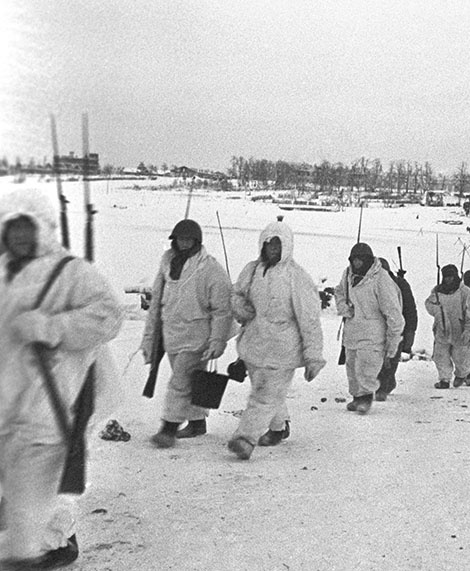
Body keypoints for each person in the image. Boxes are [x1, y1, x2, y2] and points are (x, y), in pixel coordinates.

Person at [0, 188, 123, 569]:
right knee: (23, 493)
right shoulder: (4, 271)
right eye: (11, 227)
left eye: (26, 226)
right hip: (7, 405)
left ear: (42, 227)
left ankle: (34, 553)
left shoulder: (71, 272)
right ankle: (54, 537)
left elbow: (109, 315)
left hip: (49, 409)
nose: (19, 236)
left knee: (29, 502)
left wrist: (51, 327)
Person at [227, 221, 325, 460]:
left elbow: (309, 319)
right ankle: (278, 428)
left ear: (287, 246)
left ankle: (245, 438)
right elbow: (237, 295)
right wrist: (242, 308)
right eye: (269, 244)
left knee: (265, 396)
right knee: (266, 391)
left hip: (284, 348)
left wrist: (313, 356)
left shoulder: (296, 277)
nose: (272, 249)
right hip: (255, 344)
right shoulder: (251, 271)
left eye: (277, 244)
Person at [140, 218, 233, 448]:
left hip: (197, 337)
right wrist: (151, 337)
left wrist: (217, 341)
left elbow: (222, 310)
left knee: (179, 383)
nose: (183, 243)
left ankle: (168, 429)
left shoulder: (210, 269)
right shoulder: (167, 263)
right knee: (189, 382)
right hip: (172, 335)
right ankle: (197, 423)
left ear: (197, 241)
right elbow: (157, 304)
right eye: (179, 238)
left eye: (188, 239)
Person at [332, 243, 403, 413]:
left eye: (360, 260)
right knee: (352, 367)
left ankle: (365, 398)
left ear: (368, 260)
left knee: (366, 367)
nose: (357, 263)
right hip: (352, 331)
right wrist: (345, 308)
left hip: (373, 334)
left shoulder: (381, 279)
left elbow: (393, 312)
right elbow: (339, 292)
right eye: (354, 259)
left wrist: (393, 340)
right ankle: (357, 397)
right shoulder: (348, 274)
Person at [424, 264, 470, 388]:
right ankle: (444, 380)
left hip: (460, 328)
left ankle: (461, 374)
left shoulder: (465, 292)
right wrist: (436, 310)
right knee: (440, 355)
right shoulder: (437, 291)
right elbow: (429, 304)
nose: (448, 279)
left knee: (461, 357)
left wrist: (469, 328)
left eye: (450, 276)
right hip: (442, 328)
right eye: (446, 277)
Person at [375, 259, 417, 401]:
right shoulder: (371, 285)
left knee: (391, 359)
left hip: (397, 328)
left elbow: (410, 309)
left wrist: (410, 330)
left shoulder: (400, 285)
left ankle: (384, 386)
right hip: (377, 329)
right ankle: (383, 384)